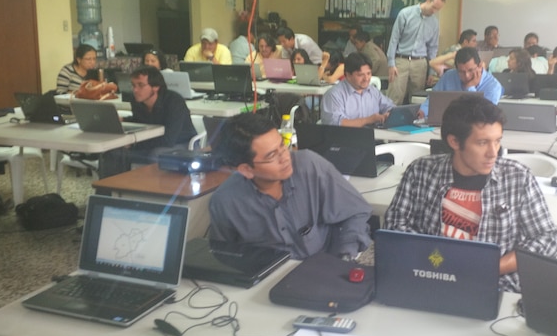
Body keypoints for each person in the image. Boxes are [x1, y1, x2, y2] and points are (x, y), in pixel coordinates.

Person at [384, 94, 557, 292]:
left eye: (497, 141)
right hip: (429, 277)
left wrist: (492, 267)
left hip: (497, 284)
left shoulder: (518, 178)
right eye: (482, 143)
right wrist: (437, 263)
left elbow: (547, 239)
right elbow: (394, 228)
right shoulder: (421, 172)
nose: (494, 152)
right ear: (454, 142)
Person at [208, 112, 373, 260]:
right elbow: (224, 254)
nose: (285, 157)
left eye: (282, 145)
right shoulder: (225, 201)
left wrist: (344, 255)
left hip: (324, 263)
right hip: (266, 276)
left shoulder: (309, 166)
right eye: (272, 155)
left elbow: (356, 211)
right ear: (246, 170)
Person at [98, 66, 197, 178]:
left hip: (182, 143)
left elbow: (169, 139)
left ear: (155, 87)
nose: (135, 90)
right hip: (151, 143)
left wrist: (133, 144)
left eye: (140, 85)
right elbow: (142, 121)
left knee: (156, 153)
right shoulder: (137, 101)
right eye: (133, 85)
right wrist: (123, 120)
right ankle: (109, 191)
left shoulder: (174, 101)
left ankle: (152, 191)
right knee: (112, 152)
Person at [386, 0, 446, 105]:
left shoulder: (434, 22)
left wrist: (431, 71)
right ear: (428, 1)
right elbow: (394, 39)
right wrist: (391, 63)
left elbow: (433, 48)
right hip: (401, 60)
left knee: (417, 99)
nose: (434, 11)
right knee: (394, 97)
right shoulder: (405, 13)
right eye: (433, 7)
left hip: (420, 63)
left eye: (437, 9)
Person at [419, 47, 503, 118]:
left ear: (480, 66)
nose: (466, 75)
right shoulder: (449, 76)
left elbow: (483, 116)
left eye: (470, 70)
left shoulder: (493, 86)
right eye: (461, 71)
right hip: (446, 123)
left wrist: (470, 87)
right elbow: (433, 98)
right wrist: (423, 111)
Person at [321, 53, 395, 127]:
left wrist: (388, 114)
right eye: (360, 75)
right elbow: (336, 124)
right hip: (346, 137)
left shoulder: (373, 91)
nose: (366, 79)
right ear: (348, 75)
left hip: (374, 136)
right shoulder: (334, 95)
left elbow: (391, 108)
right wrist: (369, 120)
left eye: (368, 73)